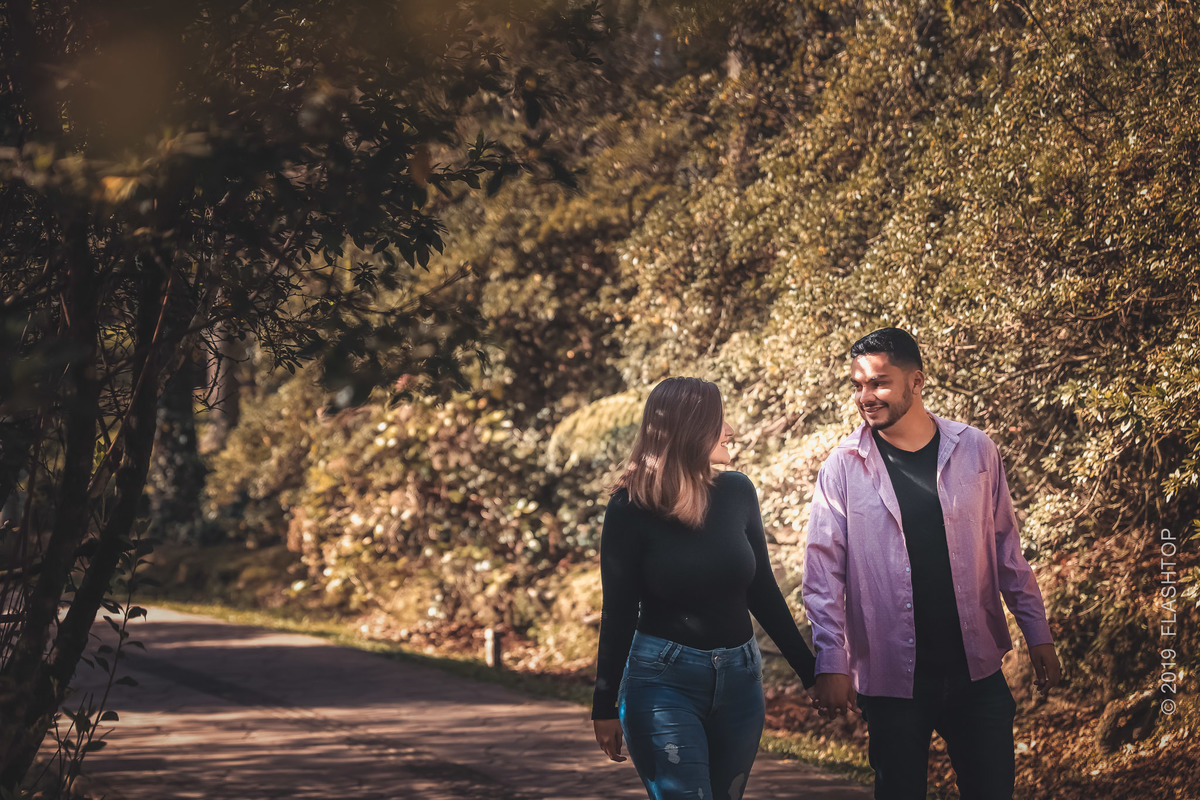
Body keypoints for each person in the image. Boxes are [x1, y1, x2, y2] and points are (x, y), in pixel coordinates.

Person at [802, 327, 1062, 800]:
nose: (866, 396)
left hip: (976, 672)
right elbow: (822, 577)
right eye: (858, 385)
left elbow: (1007, 550)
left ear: (916, 381)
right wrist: (832, 660)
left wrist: (1037, 632)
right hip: (890, 681)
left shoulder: (976, 449)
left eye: (879, 383)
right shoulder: (841, 467)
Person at [591, 377, 817, 800]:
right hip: (663, 682)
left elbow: (762, 589)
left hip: (741, 681)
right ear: (691, 429)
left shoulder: (737, 491)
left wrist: (810, 673)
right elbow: (618, 611)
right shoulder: (629, 507)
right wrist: (603, 706)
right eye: (719, 421)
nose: (729, 430)